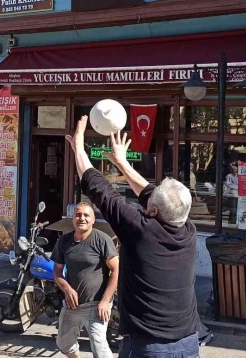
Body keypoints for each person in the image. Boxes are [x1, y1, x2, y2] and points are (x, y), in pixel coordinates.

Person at [66, 116, 201, 358]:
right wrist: (122, 163)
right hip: (188, 344)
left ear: (153, 211)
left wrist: (78, 147)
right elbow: (152, 195)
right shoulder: (188, 230)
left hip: (147, 347)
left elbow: (97, 186)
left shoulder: (141, 230)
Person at [51, 202, 119, 358]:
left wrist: (105, 301)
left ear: (93, 219)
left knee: (99, 346)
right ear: (73, 219)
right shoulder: (64, 241)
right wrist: (66, 289)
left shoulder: (102, 240)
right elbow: (57, 270)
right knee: (63, 343)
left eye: (86, 215)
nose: (82, 218)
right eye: (78, 215)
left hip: (96, 304)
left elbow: (116, 270)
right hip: (72, 304)